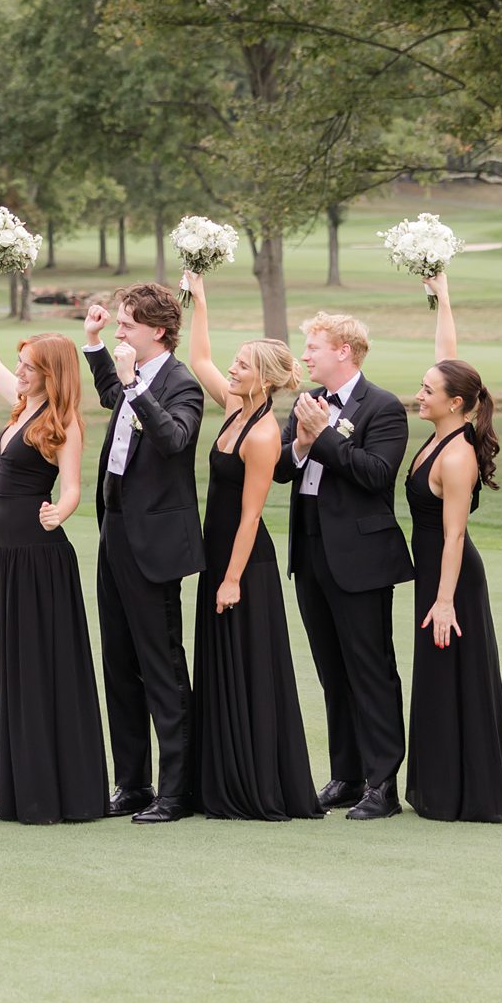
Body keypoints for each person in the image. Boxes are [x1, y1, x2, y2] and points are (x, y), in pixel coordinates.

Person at [179, 272, 322, 821]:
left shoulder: (263, 432)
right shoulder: (233, 406)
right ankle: (216, 777)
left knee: (249, 668)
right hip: (217, 554)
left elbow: (250, 515)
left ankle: (252, 783)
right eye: (234, 363)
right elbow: (200, 358)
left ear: (261, 379)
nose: (231, 369)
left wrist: (233, 578)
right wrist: (202, 302)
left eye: (242, 365)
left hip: (245, 563)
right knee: (218, 665)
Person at [0, 264, 106, 825]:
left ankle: (49, 795)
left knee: (40, 669)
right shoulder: (20, 404)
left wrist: (59, 513)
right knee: (11, 668)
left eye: (29, 368)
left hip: (38, 554)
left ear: (50, 373)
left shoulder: (63, 420)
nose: (19, 374)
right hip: (4, 557)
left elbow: (73, 487)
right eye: (20, 366)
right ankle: (20, 789)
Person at [274, 310, 412, 821]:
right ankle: (347, 774)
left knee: (370, 670)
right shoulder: (308, 403)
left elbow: (377, 476)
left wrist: (325, 438)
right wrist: (304, 440)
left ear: (344, 353)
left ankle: (383, 783)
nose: (305, 356)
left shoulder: (383, 407)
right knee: (332, 670)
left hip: (361, 559)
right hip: (310, 554)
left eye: (313, 347)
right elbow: (285, 472)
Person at [80, 282, 205, 824]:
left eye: (127, 324)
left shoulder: (183, 385)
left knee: (162, 664)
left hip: (154, 542)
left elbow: (174, 439)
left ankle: (176, 791)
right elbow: (114, 394)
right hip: (115, 532)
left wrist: (133, 382)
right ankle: (132, 782)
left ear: (158, 331)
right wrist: (94, 345)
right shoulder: (135, 379)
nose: (120, 331)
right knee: (119, 663)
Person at [401, 271, 502, 823]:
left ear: (455, 403)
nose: (418, 394)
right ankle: (438, 787)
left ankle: (463, 793)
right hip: (433, 573)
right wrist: (440, 294)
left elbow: (454, 535)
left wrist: (444, 601)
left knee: (455, 674)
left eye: (427, 391)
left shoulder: (457, 454)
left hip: (451, 578)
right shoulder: (446, 424)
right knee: (436, 677)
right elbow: (446, 354)